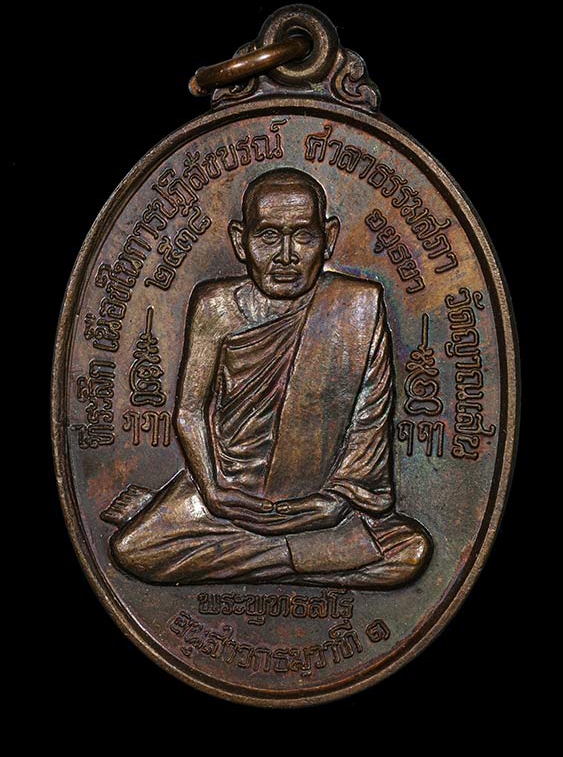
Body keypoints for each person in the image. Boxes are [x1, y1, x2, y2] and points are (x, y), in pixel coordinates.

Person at [109, 168, 432, 588]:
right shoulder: (216, 306)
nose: (285, 255)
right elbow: (188, 412)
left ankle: (286, 556)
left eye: (303, 236)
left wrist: (335, 502)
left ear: (329, 238)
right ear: (240, 241)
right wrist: (212, 491)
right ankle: (321, 557)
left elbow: (368, 425)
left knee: (412, 551)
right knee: (133, 549)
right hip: (227, 492)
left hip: (314, 503)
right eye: (268, 236)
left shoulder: (357, 308)